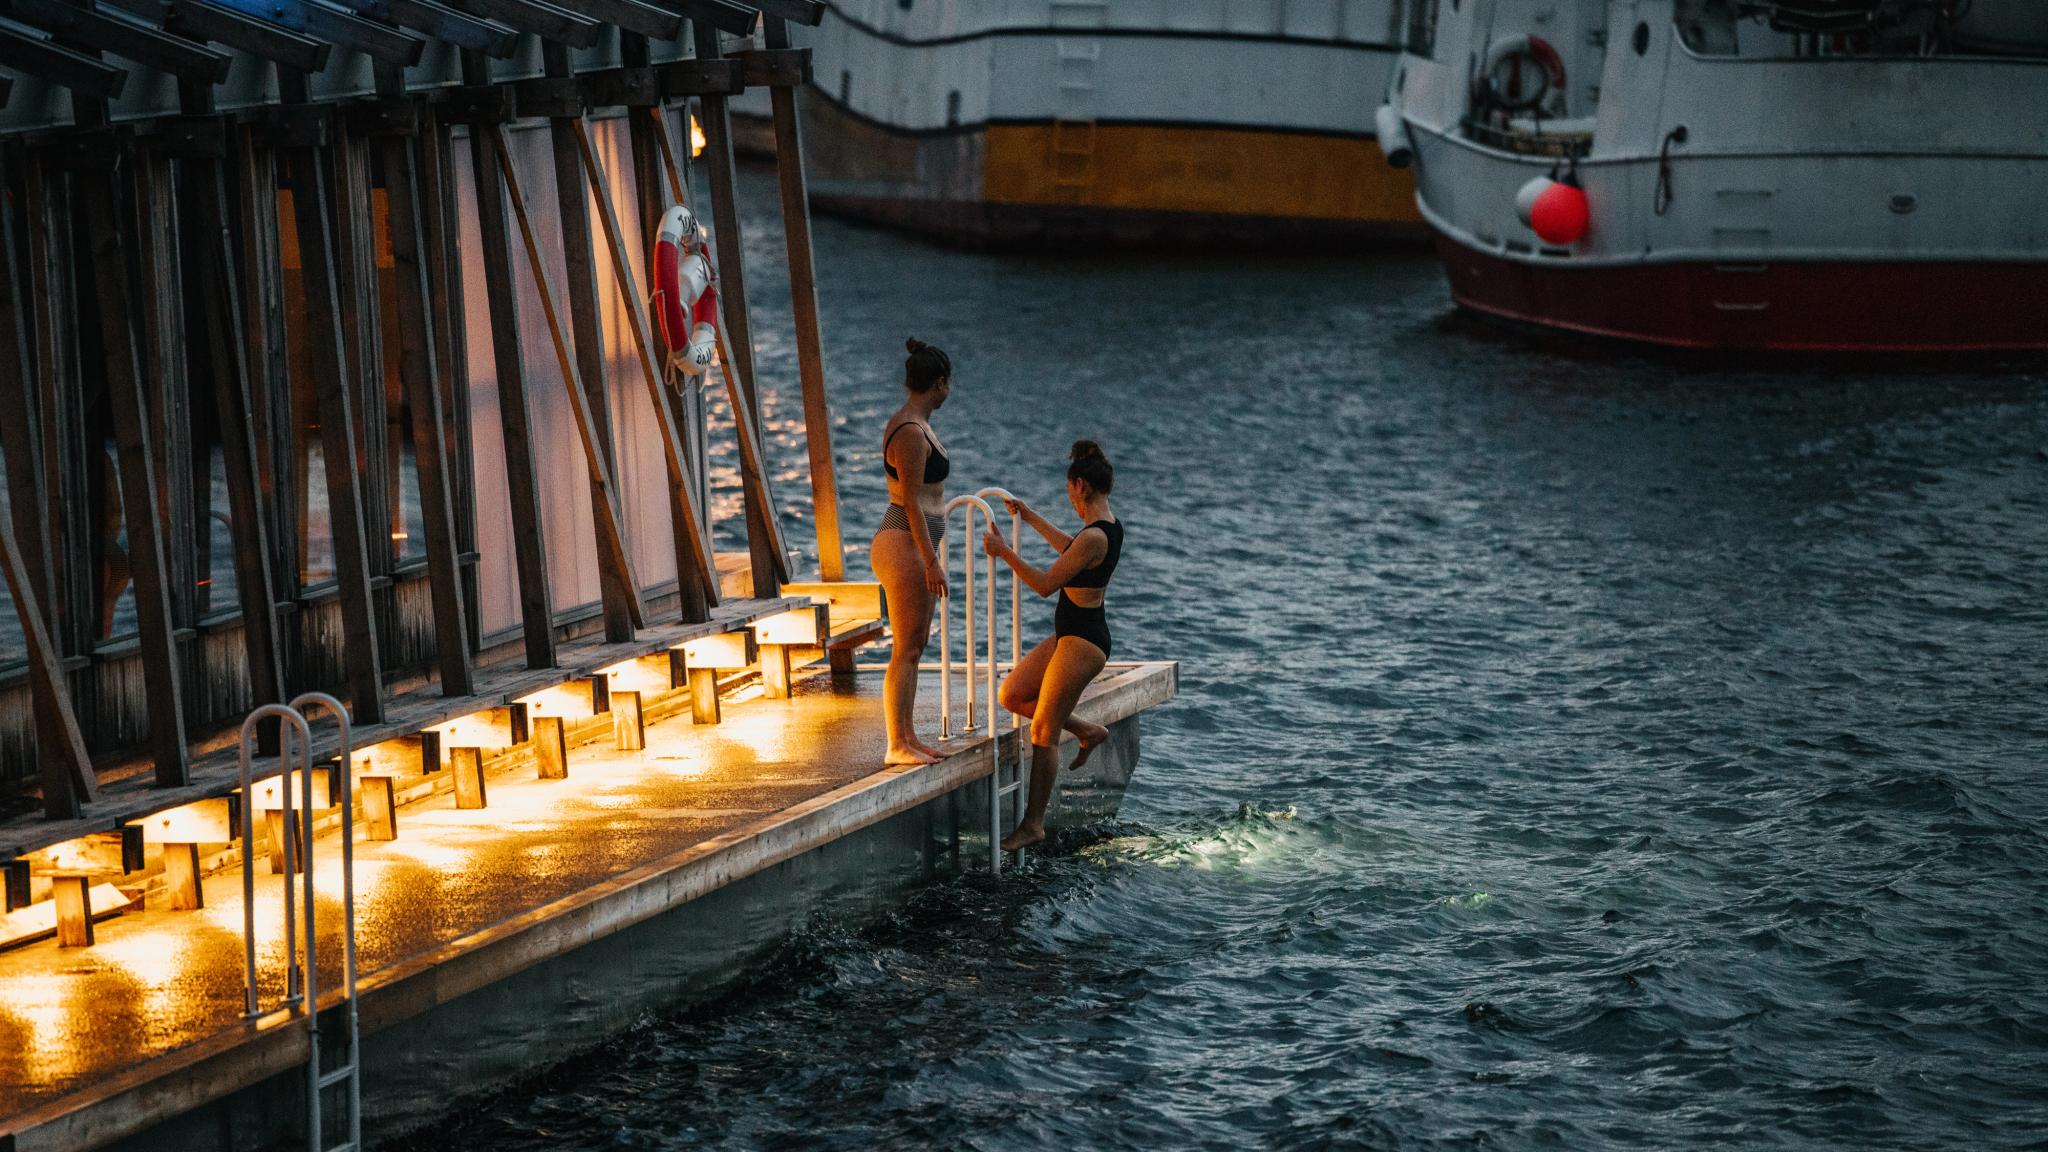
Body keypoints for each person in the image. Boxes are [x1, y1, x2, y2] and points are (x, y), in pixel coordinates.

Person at [982, 440, 1122, 851]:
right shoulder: (1100, 530)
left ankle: (1033, 824)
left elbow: (1045, 585)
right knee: (1013, 694)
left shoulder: (1096, 537)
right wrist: (1028, 516)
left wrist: (1004, 551)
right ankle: (1087, 730)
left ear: (1080, 485)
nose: (1071, 501)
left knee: (1042, 728)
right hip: (1070, 634)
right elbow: (1068, 547)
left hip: (1084, 640)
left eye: (1069, 492)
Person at [873, 339, 954, 766]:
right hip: (903, 542)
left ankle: (909, 736)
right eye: (948, 382)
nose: (949, 390)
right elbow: (909, 501)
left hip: (914, 544)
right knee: (905, 646)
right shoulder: (908, 431)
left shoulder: (918, 425)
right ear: (938, 383)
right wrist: (932, 561)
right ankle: (896, 744)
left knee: (915, 644)